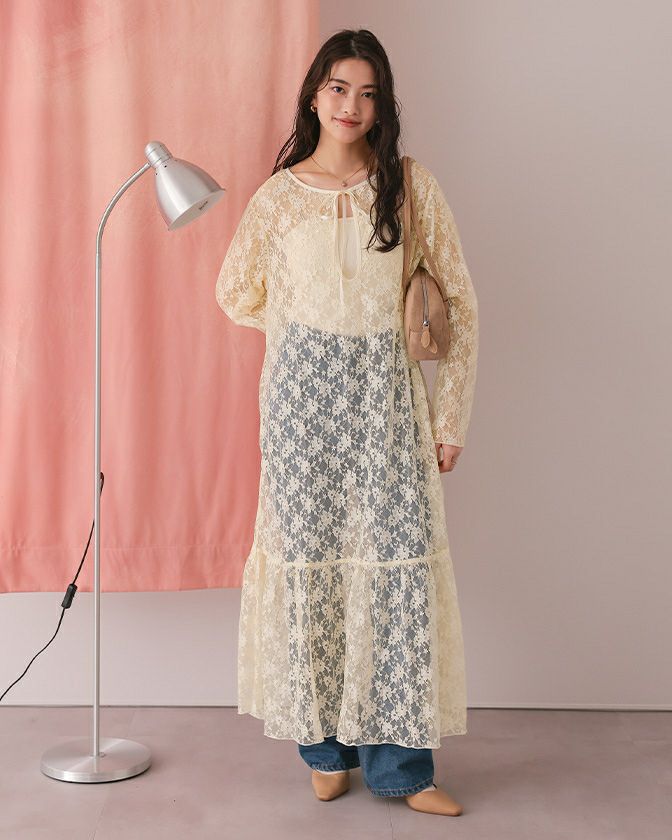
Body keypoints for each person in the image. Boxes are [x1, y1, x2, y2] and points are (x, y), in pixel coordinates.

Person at [215, 28, 479, 818]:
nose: (351, 105)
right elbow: (235, 291)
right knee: (313, 571)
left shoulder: (408, 186)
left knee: (395, 574)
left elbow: (460, 304)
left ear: (383, 104)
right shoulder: (278, 197)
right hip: (301, 410)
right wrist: (304, 331)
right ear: (313, 96)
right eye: (338, 88)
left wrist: (449, 417)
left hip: (387, 405)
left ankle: (404, 770)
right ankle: (324, 752)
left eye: (368, 92)